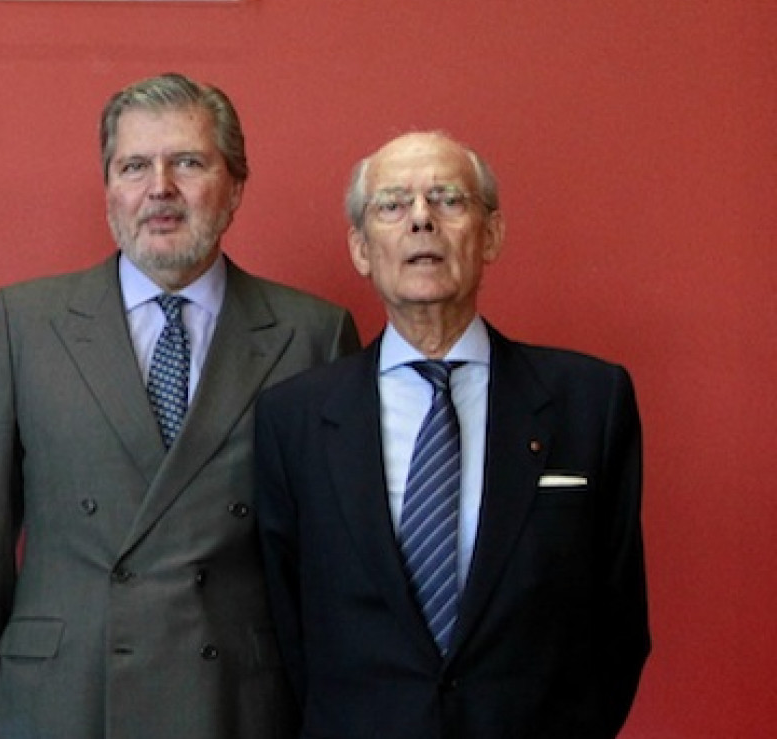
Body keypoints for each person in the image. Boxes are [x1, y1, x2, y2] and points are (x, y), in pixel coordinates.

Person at [0, 73, 360, 739]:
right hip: (62, 696)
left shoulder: (313, 332)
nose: (159, 187)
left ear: (235, 187)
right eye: (134, 165)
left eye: (188, 162)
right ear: (109, 188)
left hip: (237, 700)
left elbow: (336, 561)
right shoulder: (23, 321)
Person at [254, 131, 649, 737]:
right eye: (392, 204)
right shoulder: (294, 419)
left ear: (491, 235)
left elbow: (618, 622)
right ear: (361, 248)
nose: (421, 220)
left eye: (448, 200)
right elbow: (288, 629)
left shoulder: (590, 402)